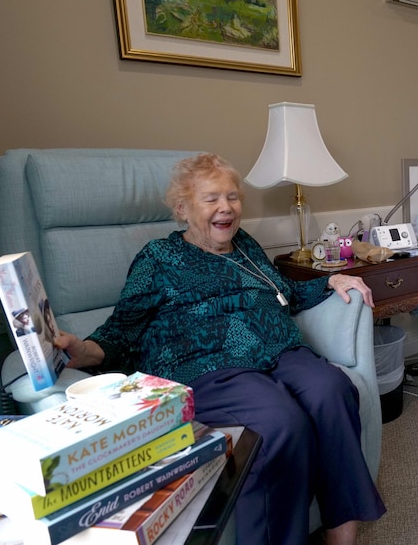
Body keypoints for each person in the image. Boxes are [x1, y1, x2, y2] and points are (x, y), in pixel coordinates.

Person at [55, 153, 385, 545]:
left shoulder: (244, 244)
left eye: (232, 197)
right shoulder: (158, 258)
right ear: (183, 208)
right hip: (208, 364)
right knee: (280, 422)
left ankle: (341, 536)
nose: (226, 208)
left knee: (332, 391)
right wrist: (84, 350)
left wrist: (331, 282)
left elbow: (284, 291)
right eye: (211, 199)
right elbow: (122, 330)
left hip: (277, 348)